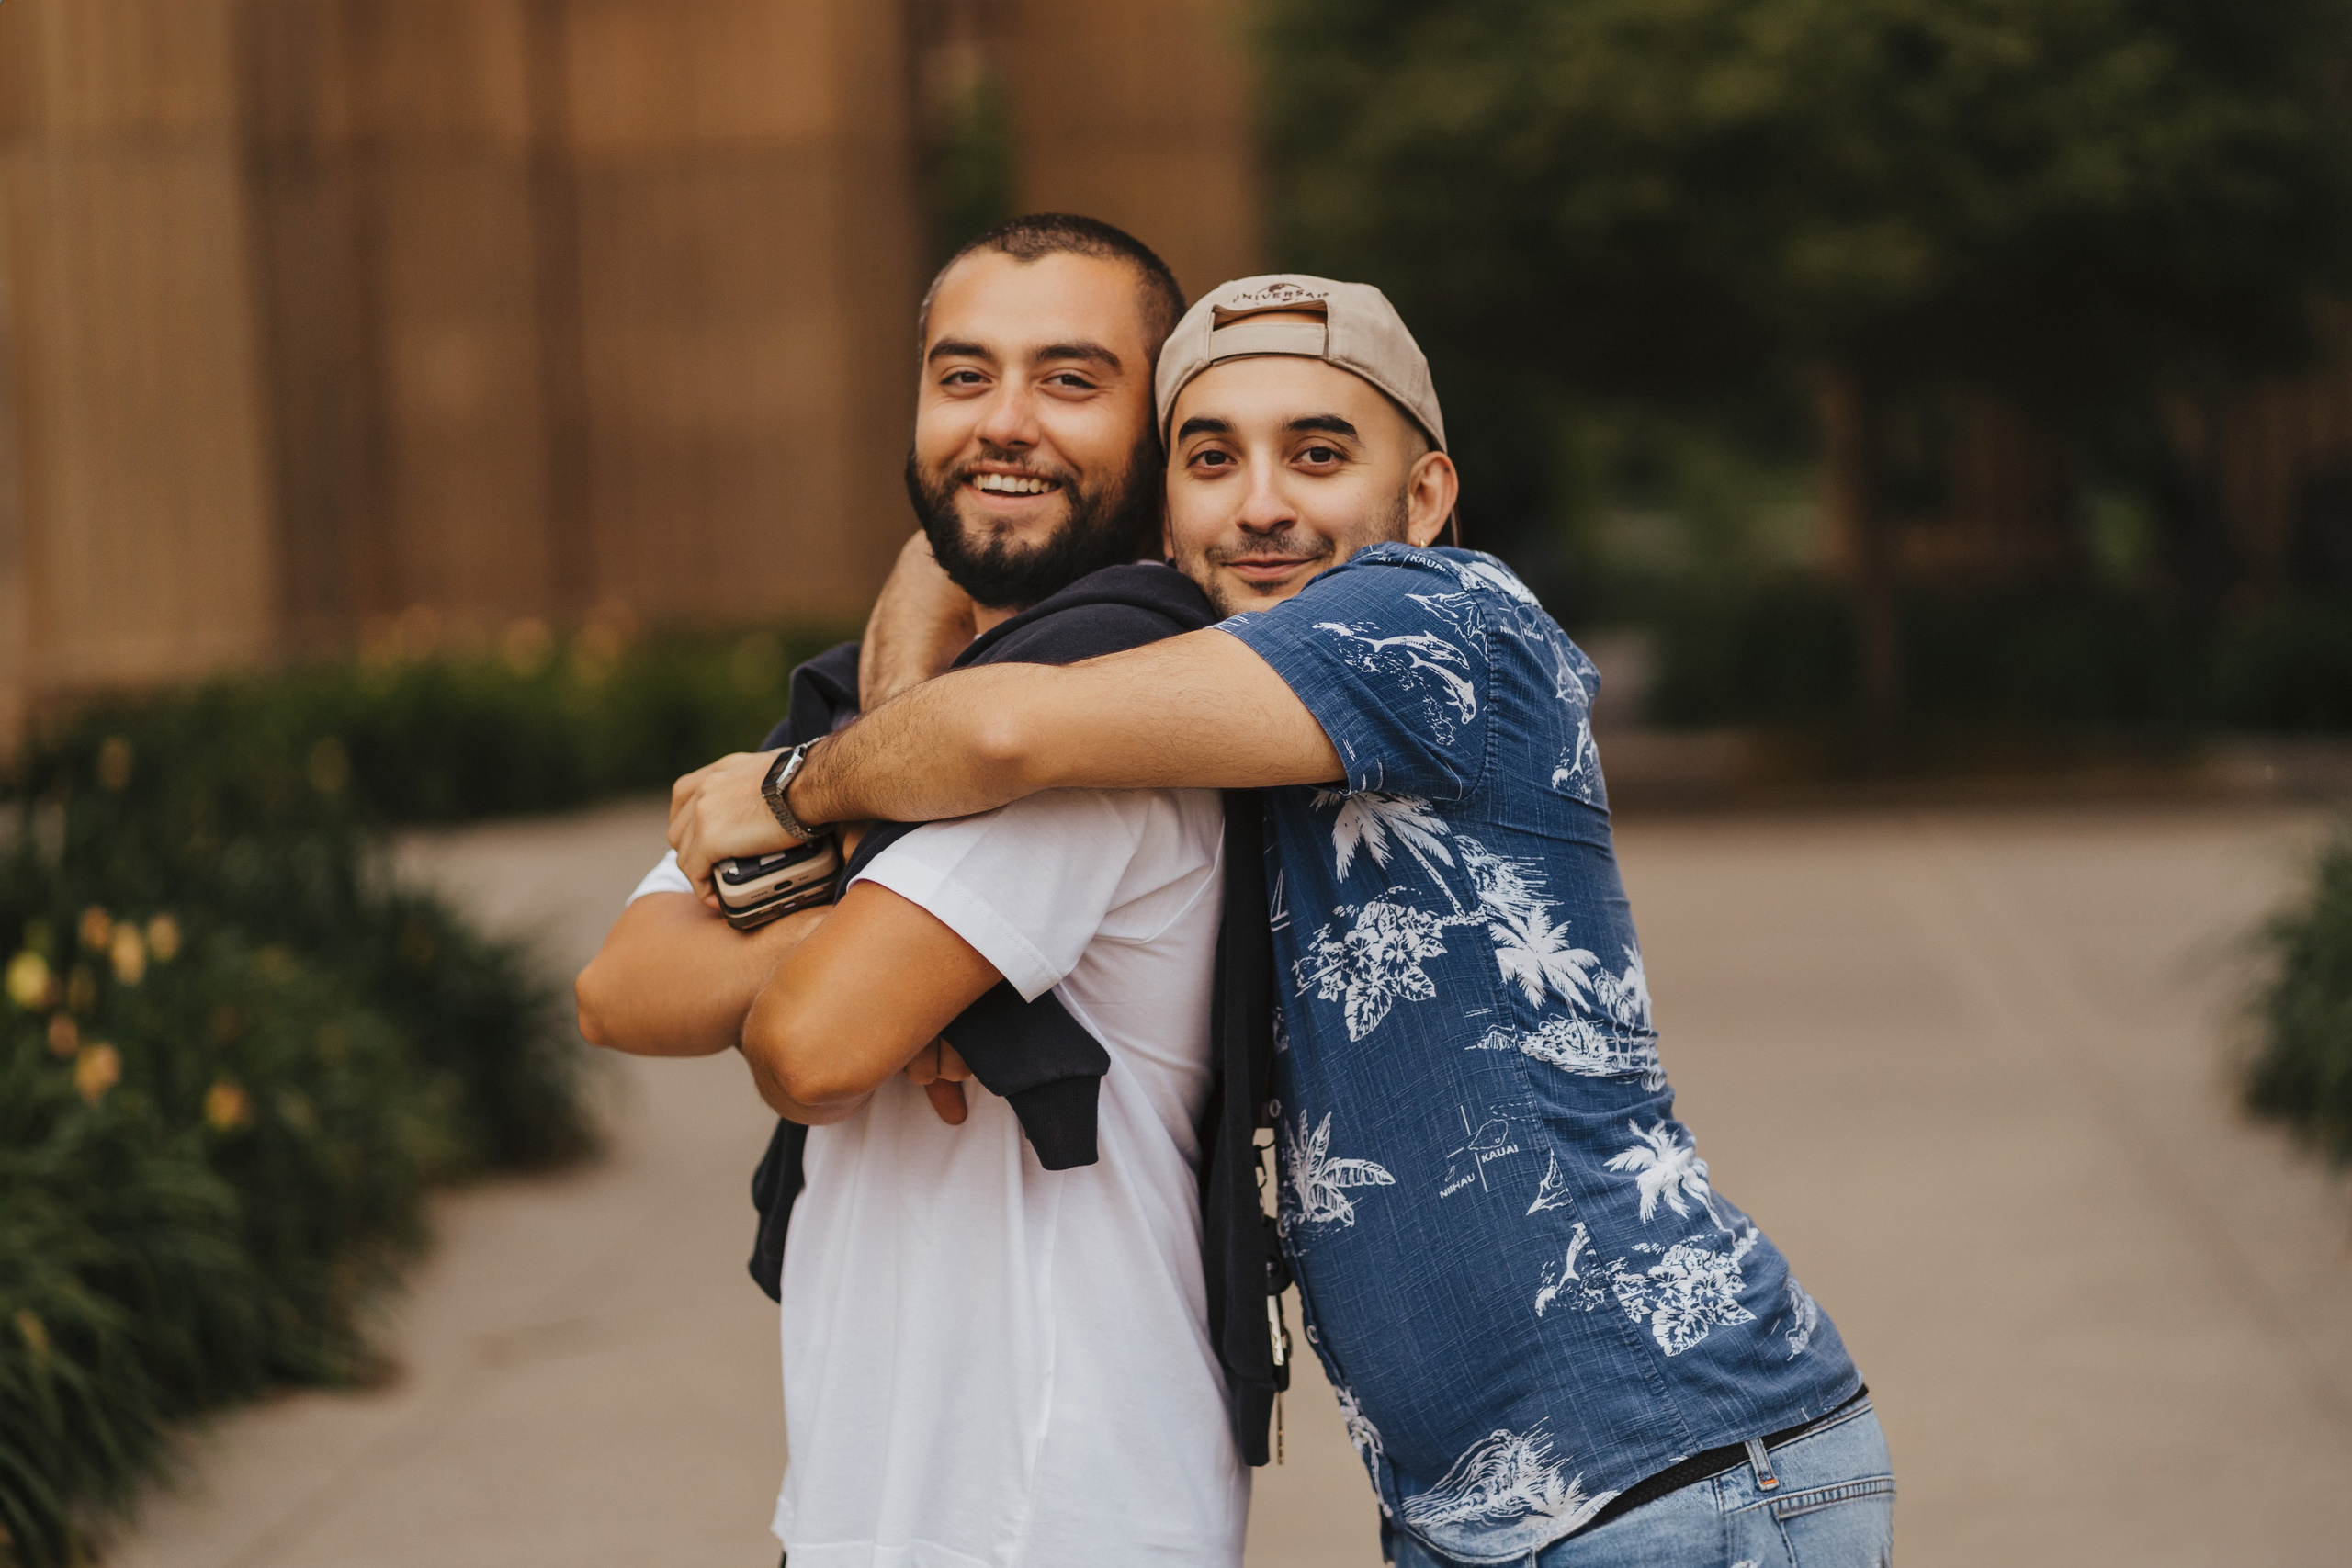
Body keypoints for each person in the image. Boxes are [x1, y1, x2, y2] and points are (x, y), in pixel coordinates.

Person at [670, 275, 1897, 1567]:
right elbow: (943, 562)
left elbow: (1003, 728)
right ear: (1163, 508)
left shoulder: (1438, 621)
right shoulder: (1240, 702)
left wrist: (802, 785)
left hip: (1663, 1467)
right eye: (1212, 459)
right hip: (1490, 1510)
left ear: (1425, 498)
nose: (1261, 505)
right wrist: (896, 848)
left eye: (1318, 453)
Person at [577, 215, 1256, 1568]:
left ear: (1161, 433)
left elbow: (818, 1047)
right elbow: (620, 988)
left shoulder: (1105, 730)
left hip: (1062, 1513)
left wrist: (809, 897)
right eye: (963, 376)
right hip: (857, 1504)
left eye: (1070, 381)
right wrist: (880, 902)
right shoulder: (865, 730)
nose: (1005, 423)